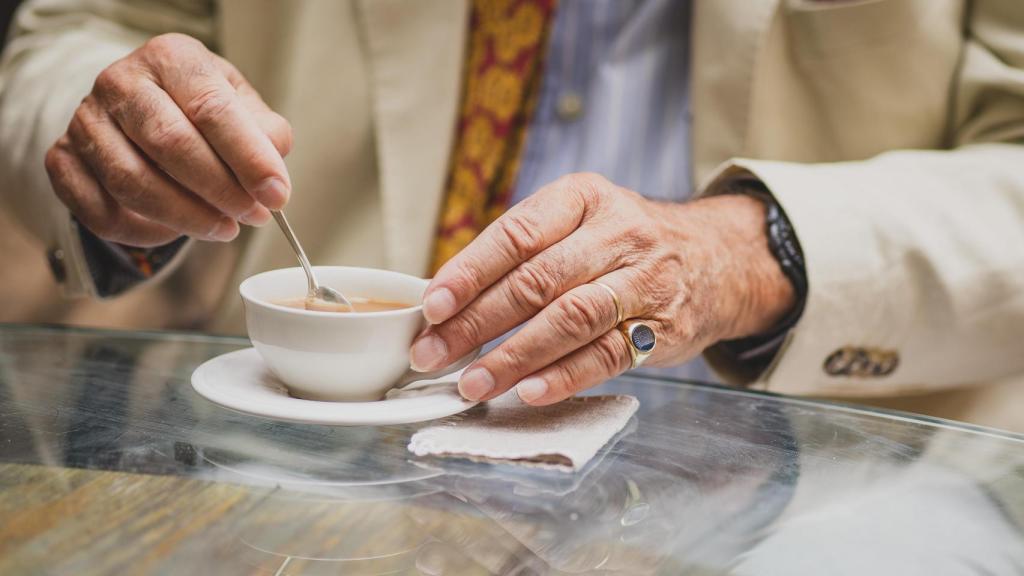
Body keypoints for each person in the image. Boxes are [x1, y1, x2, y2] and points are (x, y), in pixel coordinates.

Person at [1, 1, 1022, 426]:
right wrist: (125, 140)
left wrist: (760, 250)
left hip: (823, 460)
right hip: (308, 458)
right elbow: (81, 32)